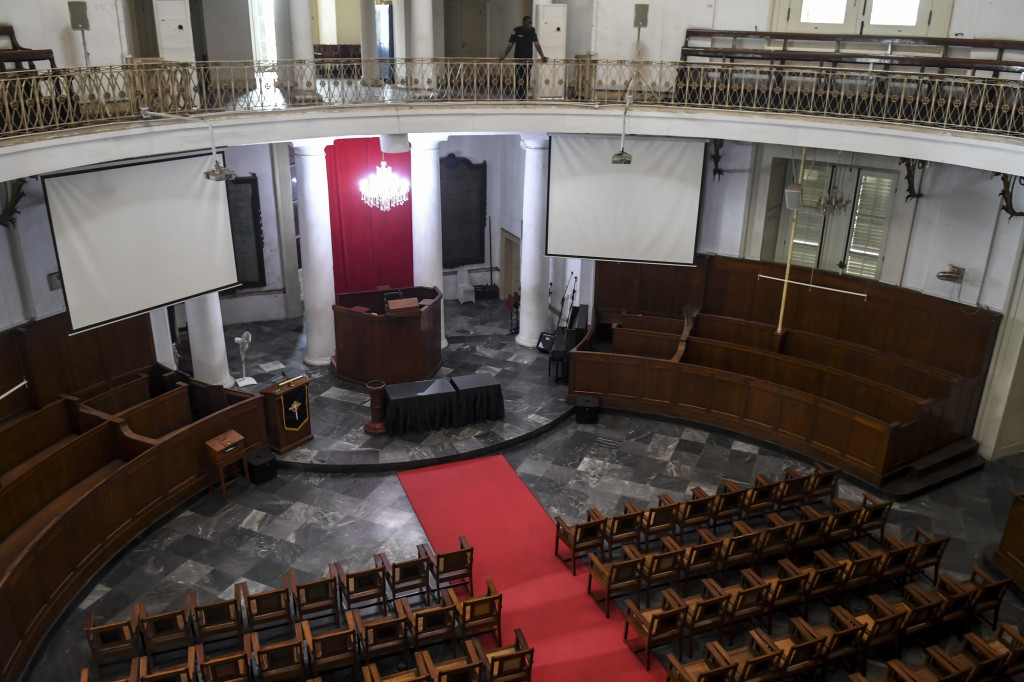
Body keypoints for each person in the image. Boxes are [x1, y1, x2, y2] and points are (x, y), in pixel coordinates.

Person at [499, 16, 547, 99]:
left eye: (531, 23)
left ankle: (524, 96)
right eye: (529, 23)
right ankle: (518, 96)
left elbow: (536, 44)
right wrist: (504, 55)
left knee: (526, 77)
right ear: (523, 23)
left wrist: (542, 56)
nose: (530, 25)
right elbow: (511, 44)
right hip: (518, 59)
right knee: (518, 77)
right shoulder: (516, 30)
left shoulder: (532, 31)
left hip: (528, 59)